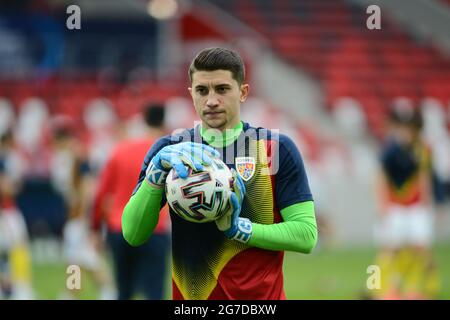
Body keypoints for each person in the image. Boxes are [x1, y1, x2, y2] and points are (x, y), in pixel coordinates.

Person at [122, 47, 318, 300]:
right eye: (202, 91)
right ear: (191, 94)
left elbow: (306, 235)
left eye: (222, 89)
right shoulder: (170, 151)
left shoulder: (275, 149)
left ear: (243, 92)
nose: (211, 100)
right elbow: (133, 234)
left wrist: (239, 230)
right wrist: (155, 175)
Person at [91, 104, 171, 300]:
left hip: (120, 229)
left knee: (123, 291)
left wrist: (94, 228)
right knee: (154, 293)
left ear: (143, 120)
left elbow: (101, 194)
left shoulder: (120, 150)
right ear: (164, 121)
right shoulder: (170, 153)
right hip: (155, 229)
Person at [373, 106, 439, 299]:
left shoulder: (422, 150)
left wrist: (428, 201)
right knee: (390, 249)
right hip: (396, 207)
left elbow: (423, 176)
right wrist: (382, 204)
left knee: (422, 248)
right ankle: (383, 289)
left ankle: (424, 289)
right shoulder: (390, 150)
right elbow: (381, 177)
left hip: (416, 207)